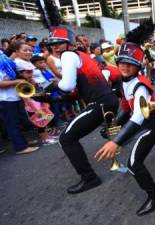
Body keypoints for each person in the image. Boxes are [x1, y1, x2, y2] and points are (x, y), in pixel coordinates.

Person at [95, 20, 155, 216]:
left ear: (138, 66)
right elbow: (126, 108)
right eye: (121, 62)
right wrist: (113, 124)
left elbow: (138, 115)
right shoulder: (124, 81)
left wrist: (117, 141)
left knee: (133, 164)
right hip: (147, 121)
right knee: (153, 134)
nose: (124, 67)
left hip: (150, 123)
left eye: (130, 64)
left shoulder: (140, 86)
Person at [43, 27, 119, 194]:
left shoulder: (68, 55)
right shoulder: (81, 55)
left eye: (59, 43)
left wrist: (50, 89)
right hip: (107, 101)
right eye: (52, 44)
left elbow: (67, 85)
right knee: (70, 136)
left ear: (68, 43)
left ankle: (89, 178)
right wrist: (50, 98)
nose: (55, 47)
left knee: (66, 138)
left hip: (99, 103)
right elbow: (77, 92)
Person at [0, 53, 39, 154]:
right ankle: (20, 147)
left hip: (14, 97)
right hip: (5, 99)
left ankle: (22, 143)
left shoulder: (4, 60)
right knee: (12, 125)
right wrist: (17, 81)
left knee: (18, 123)